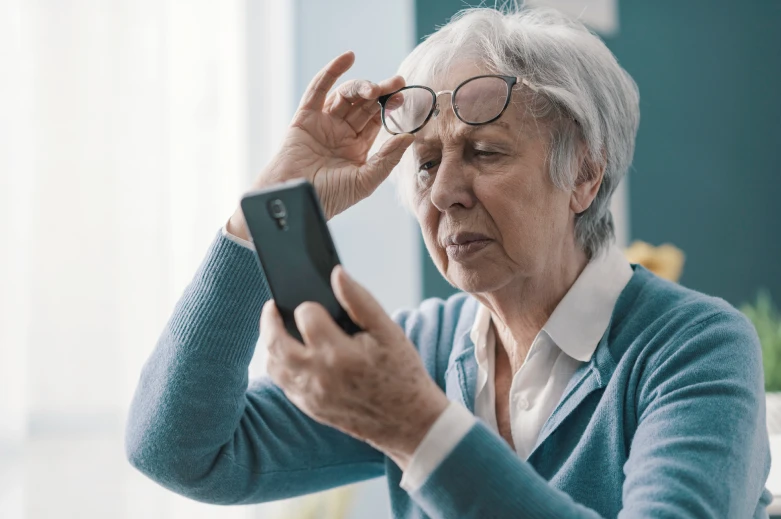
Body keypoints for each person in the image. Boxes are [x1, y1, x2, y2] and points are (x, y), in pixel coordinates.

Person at [126, 6, 772, 518]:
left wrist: (413, 426)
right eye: (426, 161)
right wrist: (262, 214)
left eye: (485, 152)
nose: (442, 192)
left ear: (582, 173)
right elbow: (181, 453)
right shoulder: (423, 348)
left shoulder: (694, 345)